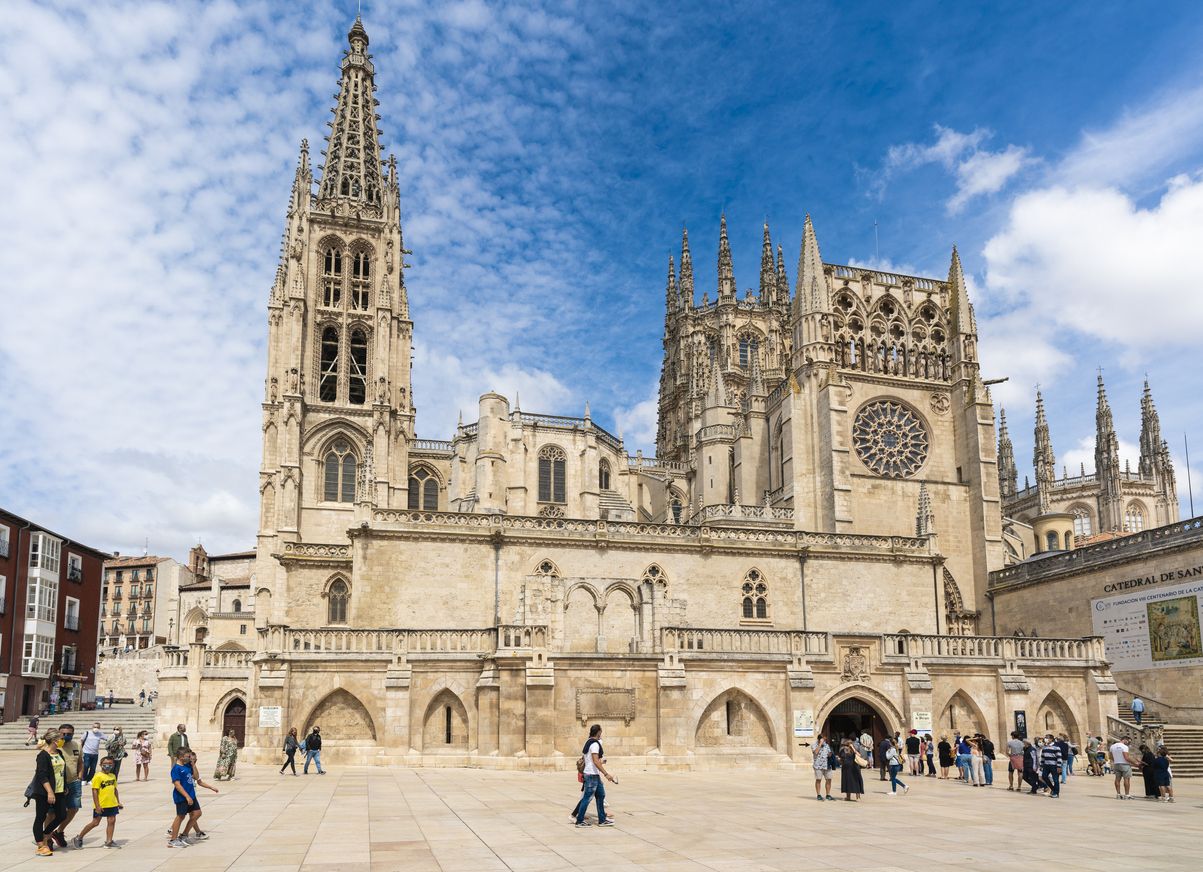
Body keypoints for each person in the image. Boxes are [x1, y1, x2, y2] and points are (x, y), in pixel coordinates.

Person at [168, 748, 218, 847]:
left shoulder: (188, 766)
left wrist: (193, 765)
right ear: (181, 757)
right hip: (182, 797)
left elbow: (196, 777)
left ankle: (184, 835)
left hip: (191, 795)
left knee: (197, 813)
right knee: (180, 816)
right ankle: (173, 840)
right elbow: (177, 785)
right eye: (188, 756)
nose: (190, 758)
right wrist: (187, 796)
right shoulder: (176, 768)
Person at [71, 755, 122, 849]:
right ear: (101, 765)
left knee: (112, 821)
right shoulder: (98, 776)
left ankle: (109, 841)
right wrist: (97, 805)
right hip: (101, 804)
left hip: (112, 803)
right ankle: (79, 837)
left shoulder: (112, 776)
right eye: (105, 764)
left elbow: (115, 789)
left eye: (110, 764)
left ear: (113, 765)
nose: (107, 766)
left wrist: (118, 802)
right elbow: (94, 791)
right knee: (95, 822)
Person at [31, 728, 68, 857]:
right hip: (44, 792)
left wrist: (64, 786)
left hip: (59, 790)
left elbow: (61, 772)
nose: (63, 740)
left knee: (62, 815)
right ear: (54, 740)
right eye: (61, 738)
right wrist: (50, 792)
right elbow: (42, 775)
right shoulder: (43, 755)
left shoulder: (59, 752)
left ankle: (46, 835)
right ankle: (41, 845)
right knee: (40, 817)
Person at [574, 724, 617, 827]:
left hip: (593, 775)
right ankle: (579, 821)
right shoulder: (595, 744)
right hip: (591, 775)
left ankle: (602, 820)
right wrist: (606, 774)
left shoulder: (588, 742)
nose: (601, 733)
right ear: (598, 732)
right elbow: (595, 761)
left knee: (601, 795)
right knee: (587, 798)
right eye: (601, 731)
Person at [49, 722, 84, 847]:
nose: (65, 736)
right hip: (56, 784)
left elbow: (80, 762)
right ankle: (47, 838)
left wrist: (80, 777)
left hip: (73, 782)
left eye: (69, 734)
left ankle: (59, 832)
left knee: (73, 809)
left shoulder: (77, 745)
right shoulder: (53, 746)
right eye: (63, 733)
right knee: (51, 813)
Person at [1110, 735, 1136, 799]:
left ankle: (1118, 794)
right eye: (1128, 742)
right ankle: (1127, 795)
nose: (1128, 743)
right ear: (1124, 740)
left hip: (1116, 764)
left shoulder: (1112, 746)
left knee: (1117, 779)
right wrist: (1135, 763)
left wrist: (1116, 761)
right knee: (1126, 779)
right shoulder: (1124, 747)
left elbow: (1111, 757)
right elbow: (1126, 758)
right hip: (1125, 765)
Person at [811, 735, 835, 801]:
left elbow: (829, 752)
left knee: (829, 779)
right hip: (818, 765)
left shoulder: (826, 745)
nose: (825, 741)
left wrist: (830, 754)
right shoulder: (814, 745)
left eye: (825, 740)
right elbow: (815, 752)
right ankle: (818, 795)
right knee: (818, 779)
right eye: (823, 739)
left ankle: (828, 795)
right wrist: (820, 744)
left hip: (827, 765)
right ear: (819, 739)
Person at [1038, 733, 1062, 797]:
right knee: (1044, 777)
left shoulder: (1056, 747)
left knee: (1055, 779)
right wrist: (1041, 765)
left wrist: (1059, 766)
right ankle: (1053, 789)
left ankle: (1056, 793)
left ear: (1051, 739)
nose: (1045, 739)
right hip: (1046, 765)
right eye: (1045, 737)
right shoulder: (1045, 747)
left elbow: (1059, 757)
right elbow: (1043, 757)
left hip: (1054, 765)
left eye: (1047, 738)